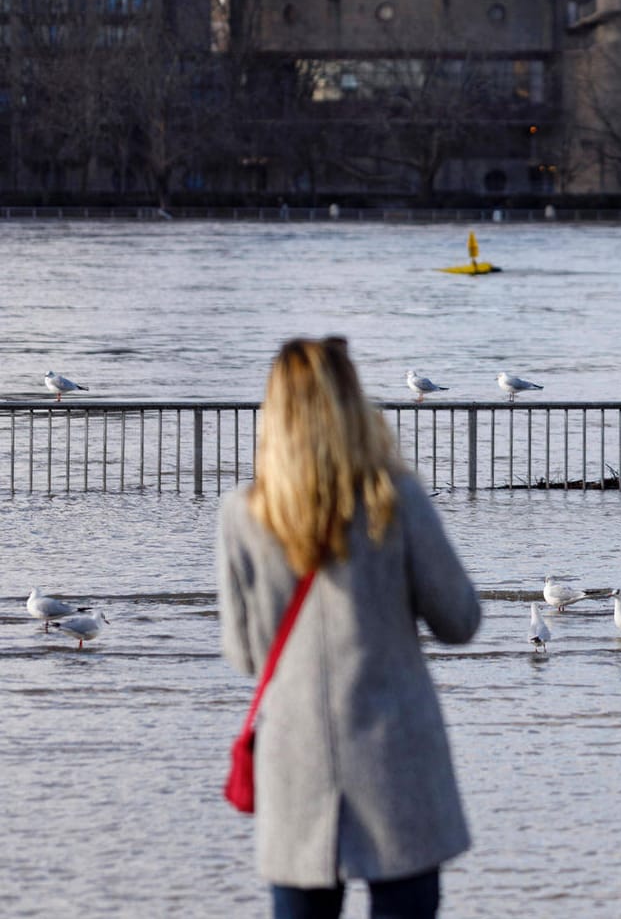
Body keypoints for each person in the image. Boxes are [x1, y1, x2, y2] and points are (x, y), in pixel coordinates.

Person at [217, 337, 481, 918]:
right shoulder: (396, 498)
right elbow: (460, 621)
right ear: (352, 403)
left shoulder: (244, 512)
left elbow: (244, 655)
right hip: (398, 763)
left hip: (296, 766)